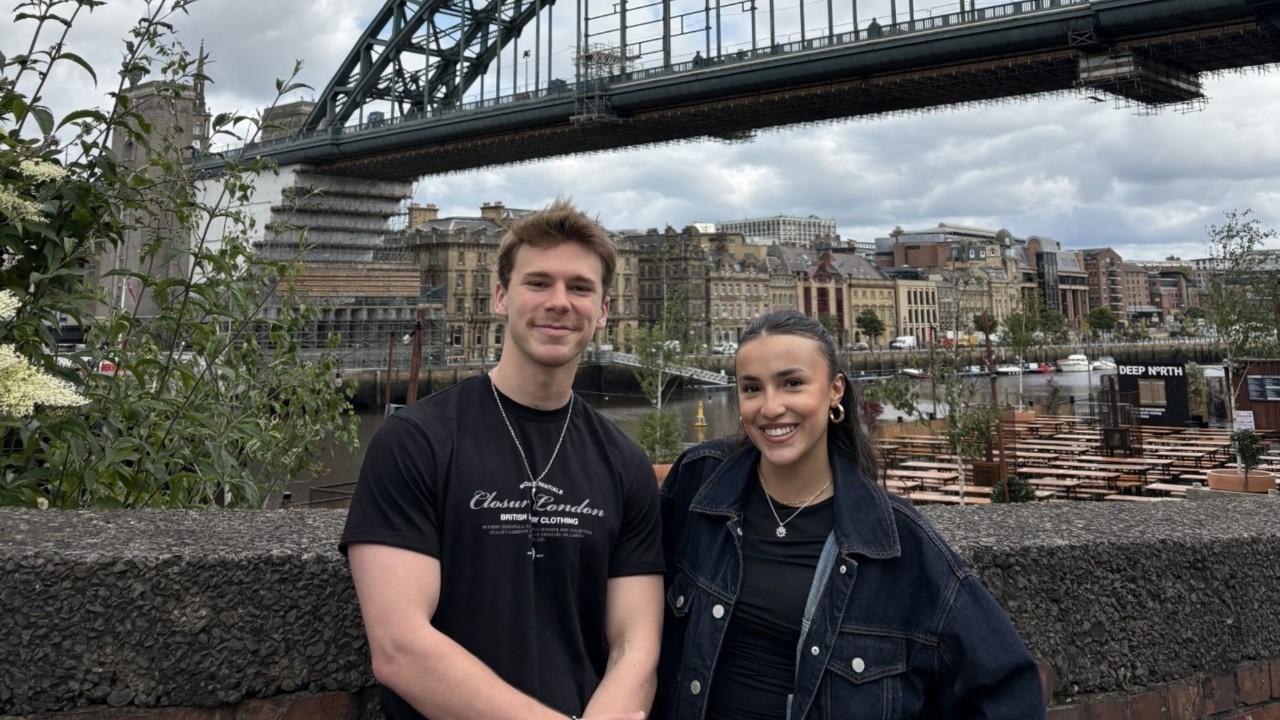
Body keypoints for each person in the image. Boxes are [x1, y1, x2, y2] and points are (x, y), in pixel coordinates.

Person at [340, 199, 664, 720]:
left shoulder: (626, 464)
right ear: (501, 297)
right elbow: (400, 649)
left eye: (580, 288)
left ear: (603, 310)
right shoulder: (415, 442)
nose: (559, 302)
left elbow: (635, 647)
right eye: (538, 283)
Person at [655, 310, 1044, 719]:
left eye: (792, 384)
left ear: (835, 390)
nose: (770, 407)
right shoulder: (698, 482)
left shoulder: (894, 542)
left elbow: (1008, 690)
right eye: (752, 388)